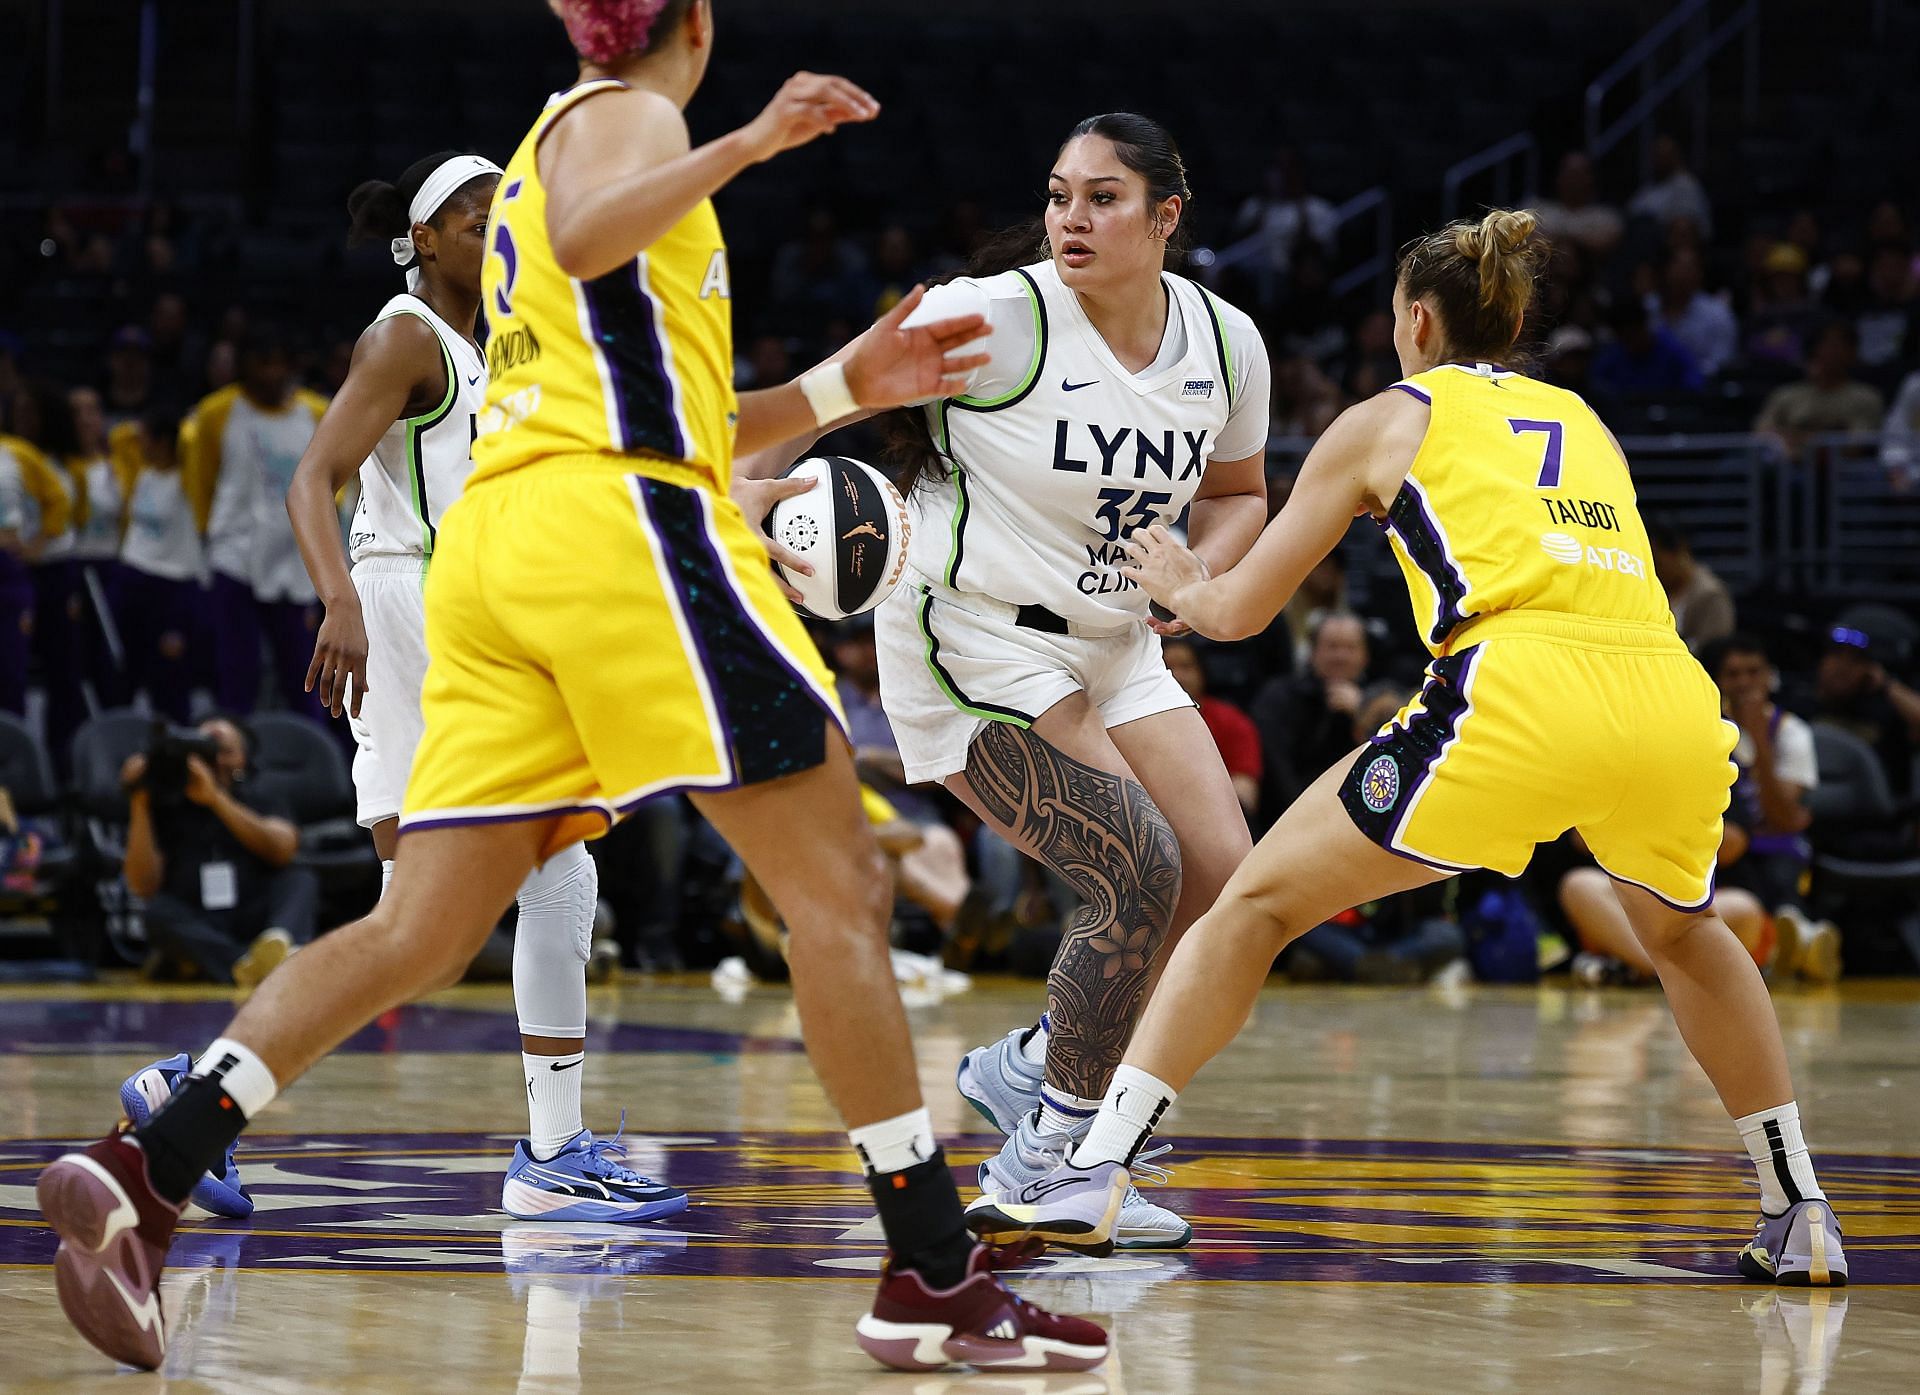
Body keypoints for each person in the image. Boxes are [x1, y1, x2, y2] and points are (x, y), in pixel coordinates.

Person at [36, 0, 1102, 1375]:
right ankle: (935, 1276)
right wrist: (751, 139)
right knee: (841, 888)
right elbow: (612, 253)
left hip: (502, 548)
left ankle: (153, 1158)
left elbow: (674, 408)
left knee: (423, 920)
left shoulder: (547, 157)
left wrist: (849, 380)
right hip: (614, 537)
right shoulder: (628, 120)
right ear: (696, 25)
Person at [971, 209, 1848, 1288]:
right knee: (1686, 934)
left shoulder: (1389, 416)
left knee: (1254, 905)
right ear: (1515, 319)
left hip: (1519, 686)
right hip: (1668, 697)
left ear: (1418, 320)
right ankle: (1800, 1208)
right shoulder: (1585, 417)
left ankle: (1092, 1167)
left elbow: (1240, 611)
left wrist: (1179, 582)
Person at [221, 148, 676, 1223]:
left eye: (505, 219)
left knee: (546, 879)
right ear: (424, 238)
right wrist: (336, 600)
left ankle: (553, 1153)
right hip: (408, 609)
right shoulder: (405, 337)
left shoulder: (505, 346)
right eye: (476, 222)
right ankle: (193, 1100)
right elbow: (311, 477)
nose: (497, 235)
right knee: (423, 928)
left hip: (487, 618)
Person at [866, 112, 1270, 1250]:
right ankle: (1056, 1151)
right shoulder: (991, 315)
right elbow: (827, 392)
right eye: (1057, 197)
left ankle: (1034, 1065)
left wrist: (1199, 572)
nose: (1070, 219)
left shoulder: (1227, 342)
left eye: (1101, 198)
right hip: (973, 632)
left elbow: (1241, 491)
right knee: (1134, 864)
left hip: (1114, 641)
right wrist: (743, 501)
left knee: (1223, 883)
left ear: (1166, 217)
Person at [185, 328, 330, 717]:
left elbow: (335, 484)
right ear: (244, 366)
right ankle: (232, 760)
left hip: (295, 563)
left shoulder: (315, 412)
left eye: (278, 362)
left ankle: (312, 763)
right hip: (235, 559)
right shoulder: (216, 412)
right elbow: (199, 484)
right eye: (261, 362)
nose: (271, 372)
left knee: (304, 678)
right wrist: (206, 547)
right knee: (237, 676)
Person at [119, 717, 314, 987]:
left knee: (300, 877)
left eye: (224, 751)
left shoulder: (259, 794)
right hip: (199, 916)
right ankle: (244, 965)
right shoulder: (168, 803)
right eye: (203, 752)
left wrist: (216, 799)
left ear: (243, 760)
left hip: (254, 913)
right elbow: (142, 884)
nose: (213, 761)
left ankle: (279, 944)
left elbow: (283, 849)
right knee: (157, 913)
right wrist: (139, 799)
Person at [115, 409, 205, 722]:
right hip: (132, 578)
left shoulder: (189, 479)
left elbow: (194, 444)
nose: (140, 443)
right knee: (125, 673)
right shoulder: (143, 472)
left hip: (173, 588)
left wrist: (189, 424)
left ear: (165, 441)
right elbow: (119, 439)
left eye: (147, 438)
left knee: (169, 679)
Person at [1250, 612, 1372, 819]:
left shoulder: (1380, 701)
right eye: (1332, 646)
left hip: (1358, 818)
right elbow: (1277, 770)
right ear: (1313, 651)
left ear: (1365, 656)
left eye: (1350, 648)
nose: (1340, 657)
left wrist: (1364, 714)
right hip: (1288, 814)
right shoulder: (1279, 697)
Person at [1814, 623, 1920, 799]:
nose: (1843, 667)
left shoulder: (1887, 710)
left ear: (1871, 669)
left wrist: (1886, 684)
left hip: (1876, 819)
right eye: (1836, 655)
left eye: (1856, 660)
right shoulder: (1797, 702)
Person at [1753, 320, 1885, 457]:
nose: (1831, 352)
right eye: (1824, 344)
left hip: (1846, 472)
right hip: (1789, 468)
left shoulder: (1866, 397)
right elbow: (1762, 433)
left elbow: (1856, 444)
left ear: (1852, 351)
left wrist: (1799, 438)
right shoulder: (1785, 395)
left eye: (1837, 345)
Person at [1162, 639, 1261, 819]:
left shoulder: (1231, 720)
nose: (1178, 676)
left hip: (1219, 819)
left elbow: (1245, 793)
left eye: (1186, 666)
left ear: (1202, 672)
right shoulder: (1137, 724)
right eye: (1168, 667)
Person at [1647, 516, 1735, 654]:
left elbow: (1714, 658)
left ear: (1680, 551)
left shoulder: (1711, 596)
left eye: (1657, 564)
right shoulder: (1652, 589)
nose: (1654, 572)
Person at [1647, 246, 1737, 378]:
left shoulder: (1718, 314)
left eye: (1689, 269)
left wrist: (1688, 374)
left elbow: (1722, 362)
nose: (1682, 275)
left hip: (1702, 389)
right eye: (1678, 268)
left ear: (1699, 274)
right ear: (1665, 271)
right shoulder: (1647, 307)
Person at [1592, 297, 1702, 397]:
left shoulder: (1671, 350)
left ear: (1644, 326)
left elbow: (1694, 383)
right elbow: (1596, 385)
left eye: (1635, 333)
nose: (1633, 342)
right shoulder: (1611, 356)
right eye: (1627, 338)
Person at [1533, 152, 1623, 262]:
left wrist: (1556, 237)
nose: (1573, 180)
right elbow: (1531, 243)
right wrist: (1582, 238)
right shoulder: (1537, 210)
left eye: (1578, 174)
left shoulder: (1607, 216)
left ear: (1591, 179)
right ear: (1558, 177)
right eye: (1568, 173)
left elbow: (1605, 244)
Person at [1627, 135, 1713, 240]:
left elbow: (1685, 224)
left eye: (1663, 156)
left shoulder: (1686, 184)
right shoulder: (1650, 186)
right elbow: (1631, 211)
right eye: (1655, 155)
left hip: (1668, 243)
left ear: (1675, 157)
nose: (1657, 161)